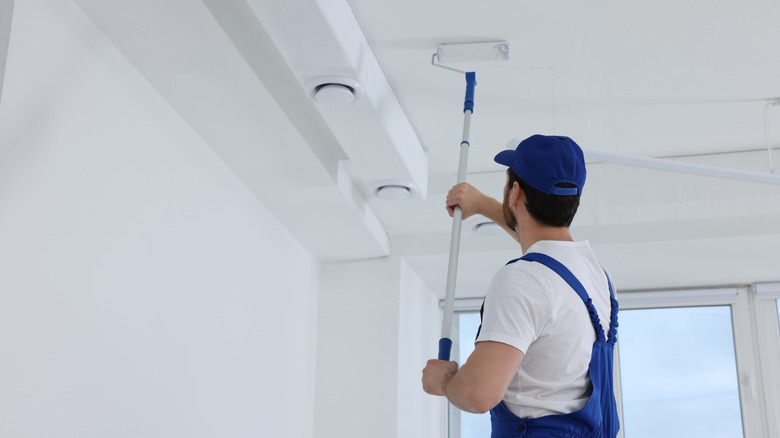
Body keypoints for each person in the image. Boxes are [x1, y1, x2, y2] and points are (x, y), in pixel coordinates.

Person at [422, 135, 619, 437]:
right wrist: (486, 205)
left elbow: (479, 394)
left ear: (514, 191)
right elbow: (546, 259)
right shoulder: (597, 276)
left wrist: (444, 381)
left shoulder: (522, 279)